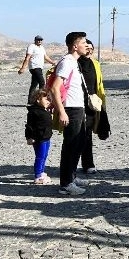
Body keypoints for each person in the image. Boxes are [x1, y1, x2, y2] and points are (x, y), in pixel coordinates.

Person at [51, 31, 90, 195]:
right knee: (70, 146)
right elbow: (54, 88)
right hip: (70, 109)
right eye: (84, 43)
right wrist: (61, 112)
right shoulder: (67, 62)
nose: (87, 46)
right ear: (75, 46)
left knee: (78, 144)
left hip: (78, 108)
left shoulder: (74, 62)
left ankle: (71, 176)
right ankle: (66, 184)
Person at [77, 39, 110, 175]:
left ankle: (88, 164)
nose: (89, 50)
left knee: (87, 135)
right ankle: (71, 165)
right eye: (86, 47)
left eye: (91, 48)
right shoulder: (76, 63)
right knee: (76, 136)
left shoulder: (95, 64)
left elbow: (99, 85)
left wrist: (102, 104)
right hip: (78, 104)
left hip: (92, 104)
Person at [24, 88, 53, 185]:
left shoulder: (45, 110)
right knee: (40, 157)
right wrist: (29, 137)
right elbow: (29, 126)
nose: (48, 101)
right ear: (38, 100)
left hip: (46, 137)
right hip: (39, 139)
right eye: (46, 99)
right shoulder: (34, 112)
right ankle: (38, 175)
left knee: (44, 156)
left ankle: (42, 172)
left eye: (49, 99)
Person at [18, 35, 56, 104]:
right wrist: (23, 68)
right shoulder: (32, 47)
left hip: (40, 67)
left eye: (41, 40)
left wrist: (52, 62)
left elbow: (45, 57)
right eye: (38, 40)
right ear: (35, 40)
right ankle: (40, 99)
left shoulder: (42, 48)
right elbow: (27, 57)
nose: (39, 41)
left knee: (34, 84)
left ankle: (30, 101)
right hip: (34, 67)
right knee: (42, 83)